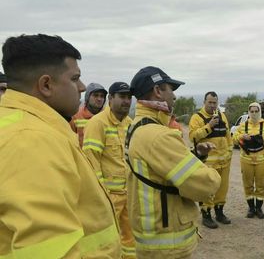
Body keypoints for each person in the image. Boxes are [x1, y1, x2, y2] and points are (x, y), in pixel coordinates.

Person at [0, 34, 120, 258]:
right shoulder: (30, 141)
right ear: (46, 84)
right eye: (75, 78)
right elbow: (47, 251)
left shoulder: (18, 124)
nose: (82, 87)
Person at [126, 66, 221, 258]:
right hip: (167, 242)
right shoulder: (157, 135)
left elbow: (161, 173)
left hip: (154, 236)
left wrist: (196, 155)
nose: (174, 97)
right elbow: (205, 183)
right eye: (171, 90)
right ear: (158, 91)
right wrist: (209, 171)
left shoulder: (137, 126)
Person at [82, 82, 135, 258]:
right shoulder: (97, 124)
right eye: (122, 97)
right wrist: (101, 194)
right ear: (111, 99)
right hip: (109, 197)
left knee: (130, 239)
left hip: (130, 195)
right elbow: (91, 161)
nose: (126, 101)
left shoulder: (130, 124)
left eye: (129, 97)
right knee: (108, 243)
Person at [189, 91, 233, 229]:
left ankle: (219, 213)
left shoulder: (222, 116)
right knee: (208, 189)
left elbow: (227, 135)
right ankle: (206, 215)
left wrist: (230, 150)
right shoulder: (197, 117)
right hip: (208, 163)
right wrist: (209, 126)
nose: (213, 105)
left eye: (215, 102)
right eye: (210, 102)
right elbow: (193, 137)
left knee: (222, 189)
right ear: (204, 102)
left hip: (224, 161)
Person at [233, 102, 264, 219]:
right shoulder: (243, 126)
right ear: (249, 112)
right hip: (246, 159)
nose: (253, 113)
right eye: (251, 111)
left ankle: (258, 208)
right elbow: (233, 138)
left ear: (260, 112)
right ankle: (251, 208)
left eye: (256, 111)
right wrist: (241, 137)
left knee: (261, 185)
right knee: (247, 185)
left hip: (262, 160)